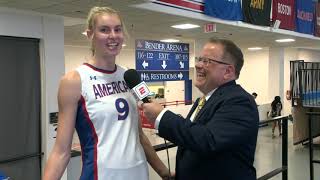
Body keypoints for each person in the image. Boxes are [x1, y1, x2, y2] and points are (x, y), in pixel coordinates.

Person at [43, 6, 171, 180]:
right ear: (90, 34)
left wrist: (164, 172)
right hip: (102, 174)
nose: (113, 36)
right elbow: (61, 151)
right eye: (104, 30)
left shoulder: (128, 75)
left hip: (138, 172)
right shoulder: (75, 80)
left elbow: (139, 135)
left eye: (117, 29)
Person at [140, 38, 259, 180]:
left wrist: (162, 116)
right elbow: (193, 138)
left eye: (207, 61)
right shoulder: (203, 100)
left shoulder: (239, 101)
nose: (198, 65)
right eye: (199, 59)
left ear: (228, 71)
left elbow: (208, 140)